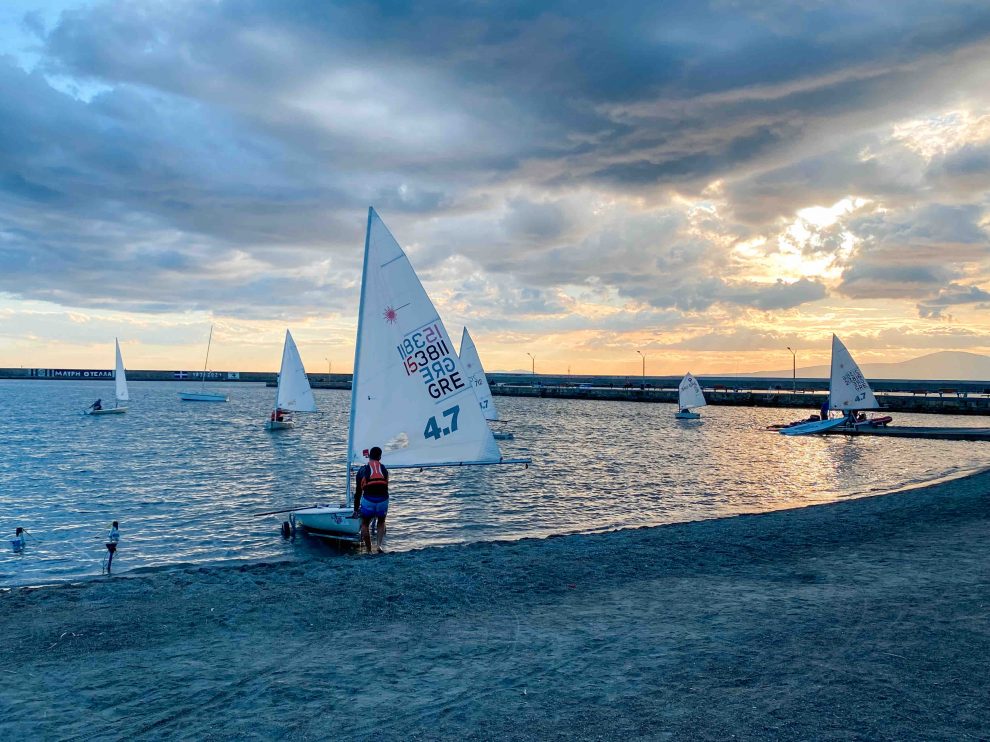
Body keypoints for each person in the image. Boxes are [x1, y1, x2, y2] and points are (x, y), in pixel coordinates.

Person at [352, 446, 389, 554]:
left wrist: (355, 509)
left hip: (368, 501)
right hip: (383, 500)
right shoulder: (384, 469)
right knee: (381, 522)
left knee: (365, 524)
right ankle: (379, 546)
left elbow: (358, 493)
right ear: (380, 457)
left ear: (369, 457)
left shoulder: (362, 470)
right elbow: (386, 486)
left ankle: (368, 550)